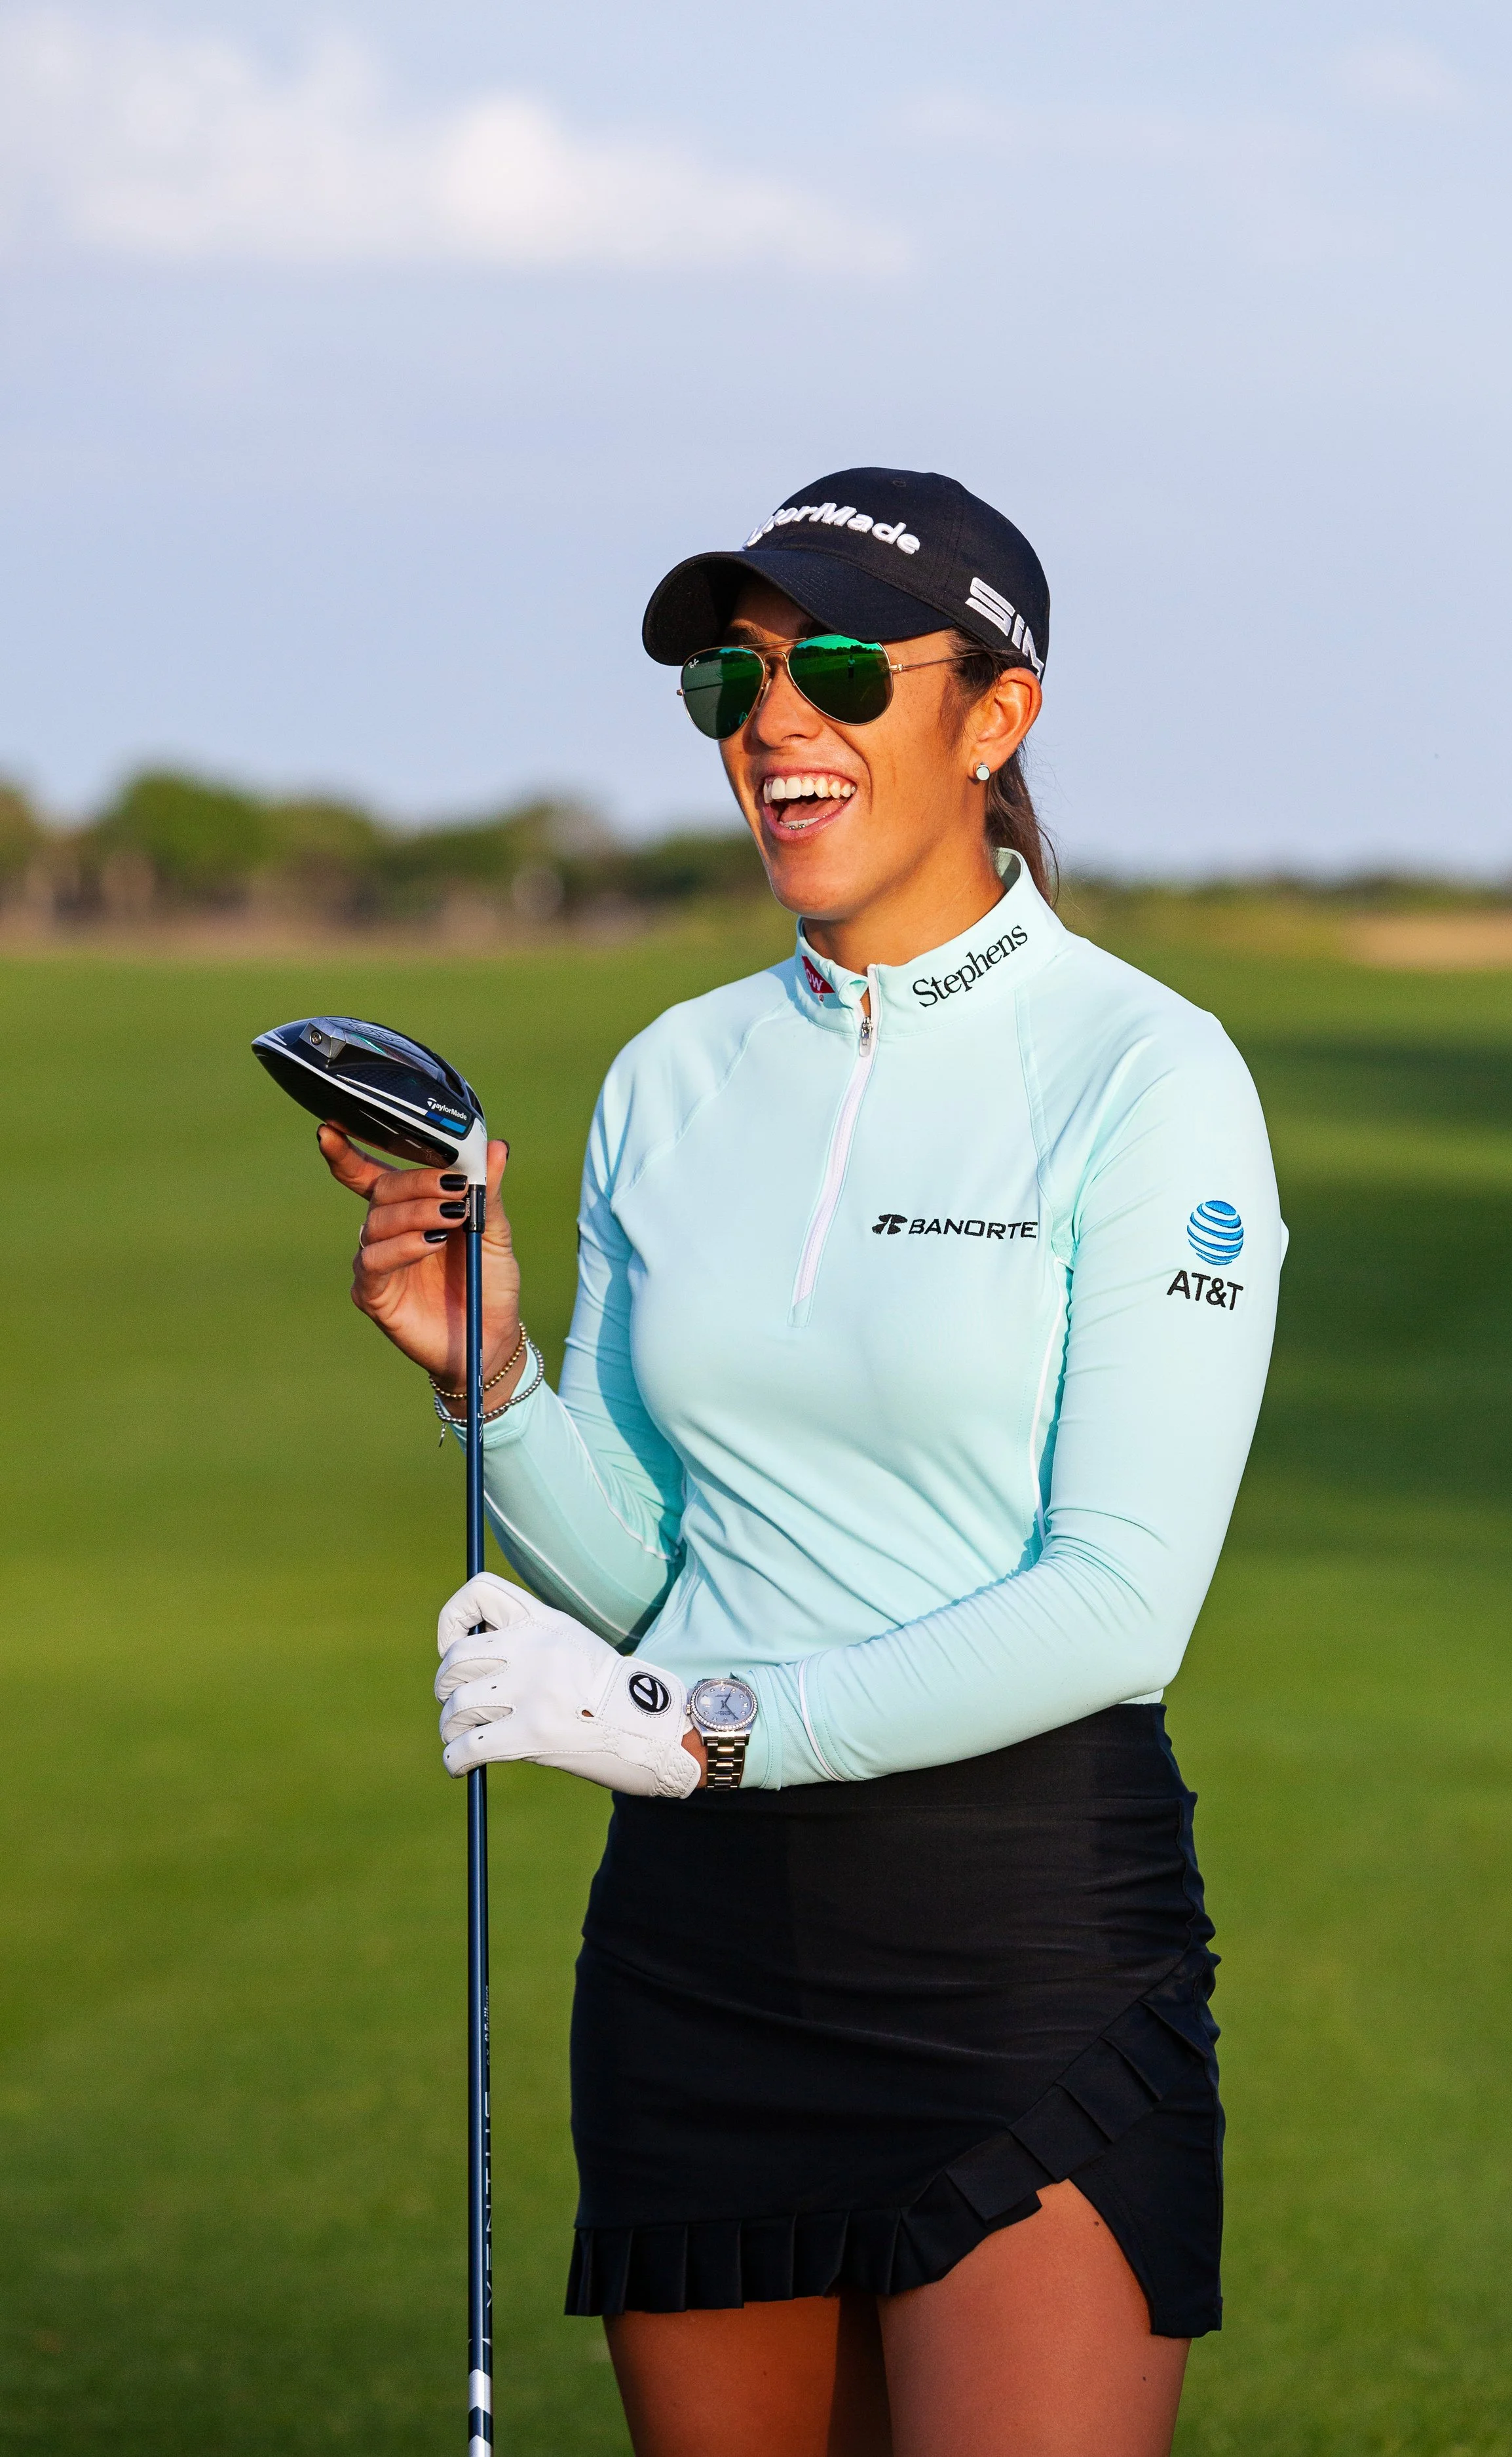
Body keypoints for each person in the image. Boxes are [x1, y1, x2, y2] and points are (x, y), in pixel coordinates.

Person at [319, 468, 1283, 2457]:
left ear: (995, 718)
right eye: (732, 680)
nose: (773, 721)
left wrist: (700, 1727)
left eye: (838, 667)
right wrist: (494, 1384)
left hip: (1016, 1944)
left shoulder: (1147, 1072)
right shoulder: (671, 1075)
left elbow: (1119, 1599)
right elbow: (659, 1576)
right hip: (698, 1956)